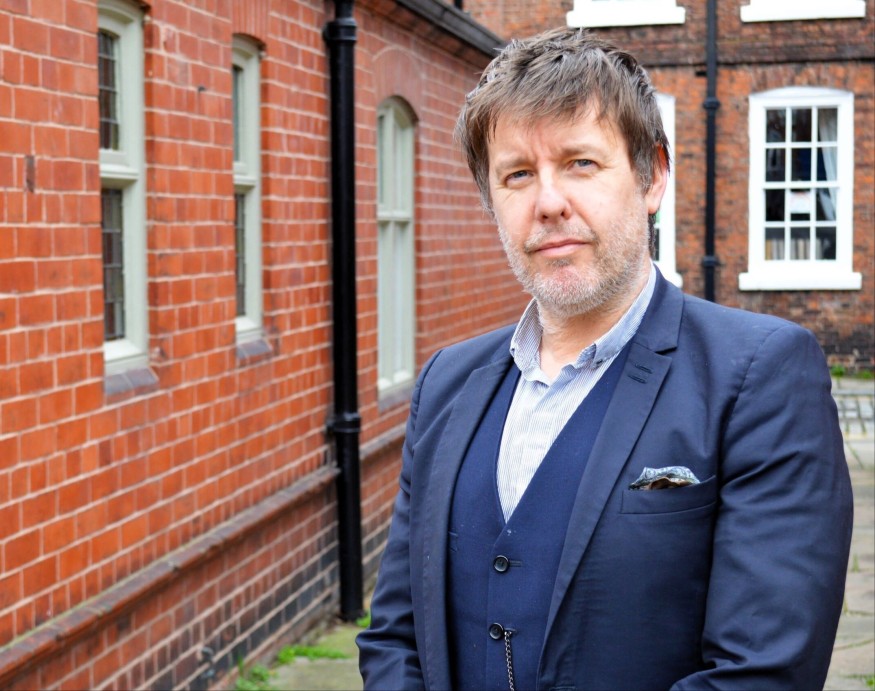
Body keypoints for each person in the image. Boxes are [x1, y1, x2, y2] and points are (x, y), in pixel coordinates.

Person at [357, 27, 853, 690]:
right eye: (517, 174)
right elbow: (394, 636)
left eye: (580, 163)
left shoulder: (760, 375)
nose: (548, 202)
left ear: (653, 176)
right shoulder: (446, 384)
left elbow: (761, 673)